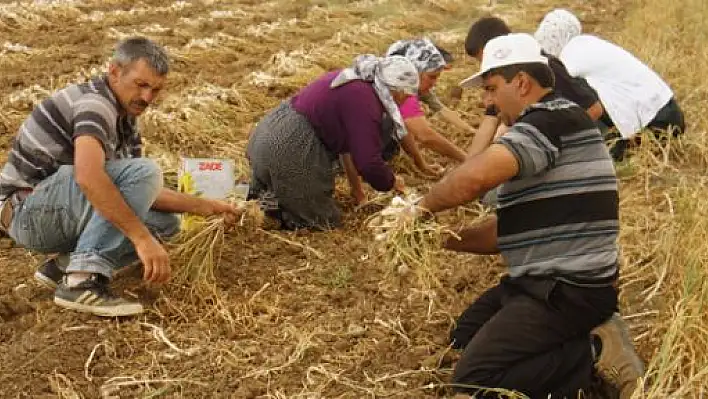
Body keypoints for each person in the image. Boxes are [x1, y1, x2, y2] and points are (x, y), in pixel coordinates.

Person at [415, 33, 643, 398]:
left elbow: (473, 177)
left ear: (521, 82)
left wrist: (420, 208)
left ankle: (593, 354)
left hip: (568, 289)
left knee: (473, 380)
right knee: (462, 338)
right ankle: (584, 339)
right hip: (540, 282)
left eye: (490, 88)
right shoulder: (551, 125)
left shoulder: (550, 120)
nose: (486, 101)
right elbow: (508, 231)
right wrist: (439, 240)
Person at [0, 37, 242, 317]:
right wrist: (140, 239)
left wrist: (207, 207)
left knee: (166, 225)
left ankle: (64, 265)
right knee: (146, 178)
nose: (147, 98)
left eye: (156, 89)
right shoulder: (96, 104)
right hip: (26, 212)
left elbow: (137, 189)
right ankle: (81, 280)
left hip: (54, 209)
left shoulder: (126, 118)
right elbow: (89, 176)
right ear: (114, 71)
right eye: (141, 85)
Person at [246, 55, 415, 230]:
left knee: (277, 190)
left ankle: (267, 197)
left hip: (268, 135)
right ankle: (274, 211)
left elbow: (347, 150)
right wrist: (391, 181)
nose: (405, 101)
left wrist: (357, 192)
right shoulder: (365, 101)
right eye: (407, 96)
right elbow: (368, 162)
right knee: (323, 223)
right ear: (397, 90)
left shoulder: (354, 81)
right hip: (291, 147)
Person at [534, 9, 685, 160]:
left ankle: (610, 145)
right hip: (669, 115)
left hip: (655, 122)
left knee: (572, 94)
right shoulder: (590, 44)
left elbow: (556, 89)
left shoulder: (571, 54)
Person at [463, 16, 604, 157]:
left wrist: (565, 142)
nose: (484, 65)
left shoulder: (546, 67)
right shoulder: (502, 88)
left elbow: (594, 109)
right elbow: (490, 125)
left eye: (485, 58)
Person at [382, 38, 471, 168]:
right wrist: (466, 159)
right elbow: (425, 135)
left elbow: (405, 132)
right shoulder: (401, 90)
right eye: (432, 77)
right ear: (413, 70)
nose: (434, 83)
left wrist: (421, 164)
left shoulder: (391, 79)